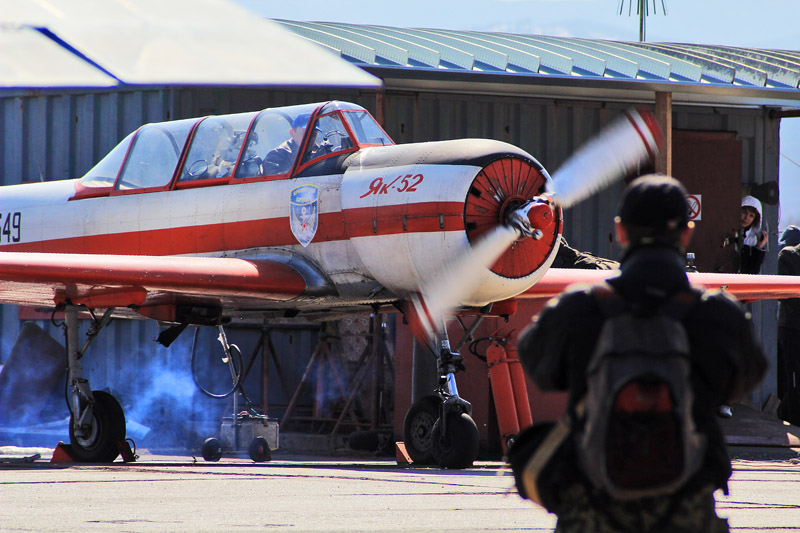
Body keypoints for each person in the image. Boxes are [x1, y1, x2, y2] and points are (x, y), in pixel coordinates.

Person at [516, 175, 767, 533]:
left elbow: (540, 368)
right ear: (685, 234)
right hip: (686, 508)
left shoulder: (579, 308)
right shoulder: (718, 314)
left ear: (621, 232)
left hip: (593, 508)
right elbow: (743, 380)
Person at [778, 225, 800, 427]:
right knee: (794, 376)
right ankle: (791, 419)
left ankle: (785, 414)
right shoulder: (789, 255)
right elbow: (788, 294)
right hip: (793, 328)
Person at [739, 195, 768, 274]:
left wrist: (759, 248)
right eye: (744, 212)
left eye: (751, 215)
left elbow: (752, 272)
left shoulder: (752, 240)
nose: (746, 218)